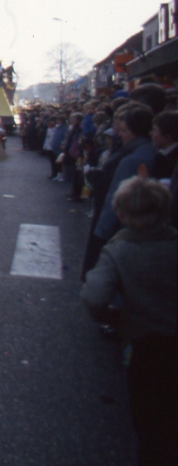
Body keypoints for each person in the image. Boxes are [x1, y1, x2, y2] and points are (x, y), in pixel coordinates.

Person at [81, 176, 177, 466]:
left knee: (152, 426)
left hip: (148, 345)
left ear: (121, 213)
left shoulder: (120, 249)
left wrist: (114, 318)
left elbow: (94, 296)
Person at [84, 103, 157, 280]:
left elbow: (115, 196)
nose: (119, 134)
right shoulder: (145, 150)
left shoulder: (132, 158)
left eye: (123, 130)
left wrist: (102, 230)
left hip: (125, 223)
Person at [149, 111, 178, 180]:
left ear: (167, 137)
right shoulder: (162, 155)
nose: (150, 133)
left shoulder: (172, 162)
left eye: (154, 130)